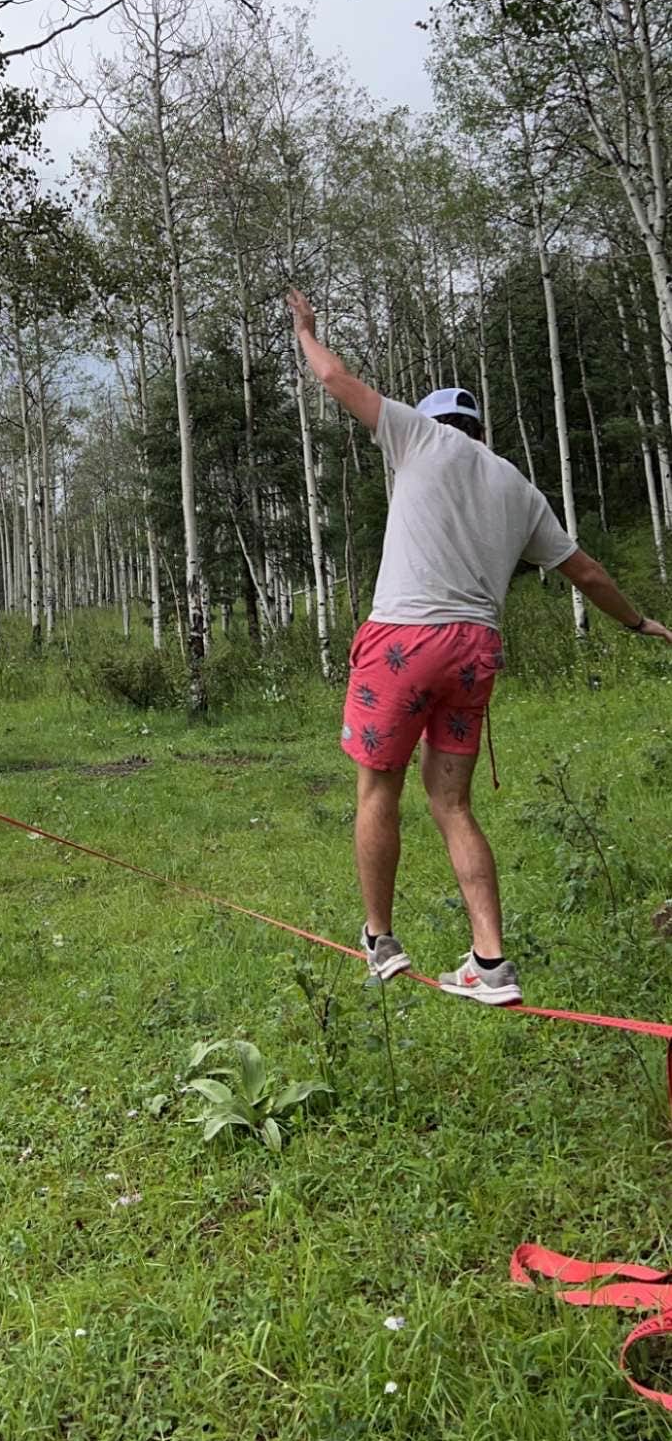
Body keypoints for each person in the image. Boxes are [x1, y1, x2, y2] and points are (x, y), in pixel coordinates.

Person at [286, 287, 672, 1007]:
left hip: (404, 639)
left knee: (378, 790)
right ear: (479, 429)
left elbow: (336, 380)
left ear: (432, 424)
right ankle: (490, 964)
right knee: (453, 804)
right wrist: (636, 622)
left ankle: (380, 942)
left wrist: (306, 331)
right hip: (476, 651)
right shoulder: (516, 486)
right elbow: (583, 570)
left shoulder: (419, 440)